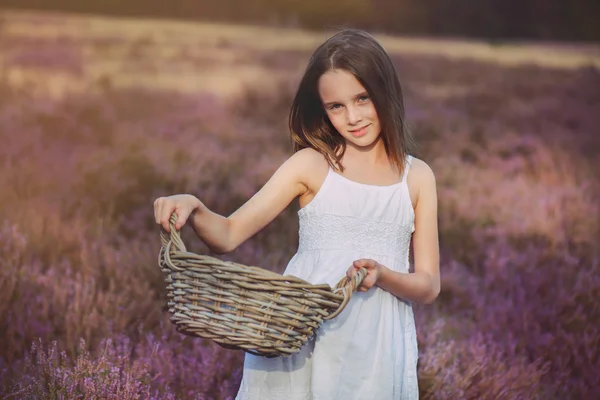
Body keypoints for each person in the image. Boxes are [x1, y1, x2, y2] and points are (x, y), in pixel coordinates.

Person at [154, 28, 440, 400]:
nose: (352, 116)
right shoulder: (310, 165)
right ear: (322, 109)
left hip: (376, 344)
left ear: (385, 93)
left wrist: (384, 275)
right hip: (301, 338)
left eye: (363, 98)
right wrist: (194, 206)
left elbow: (429, 285)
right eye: (336, 106)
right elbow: (227, 235)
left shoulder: (416, 177)